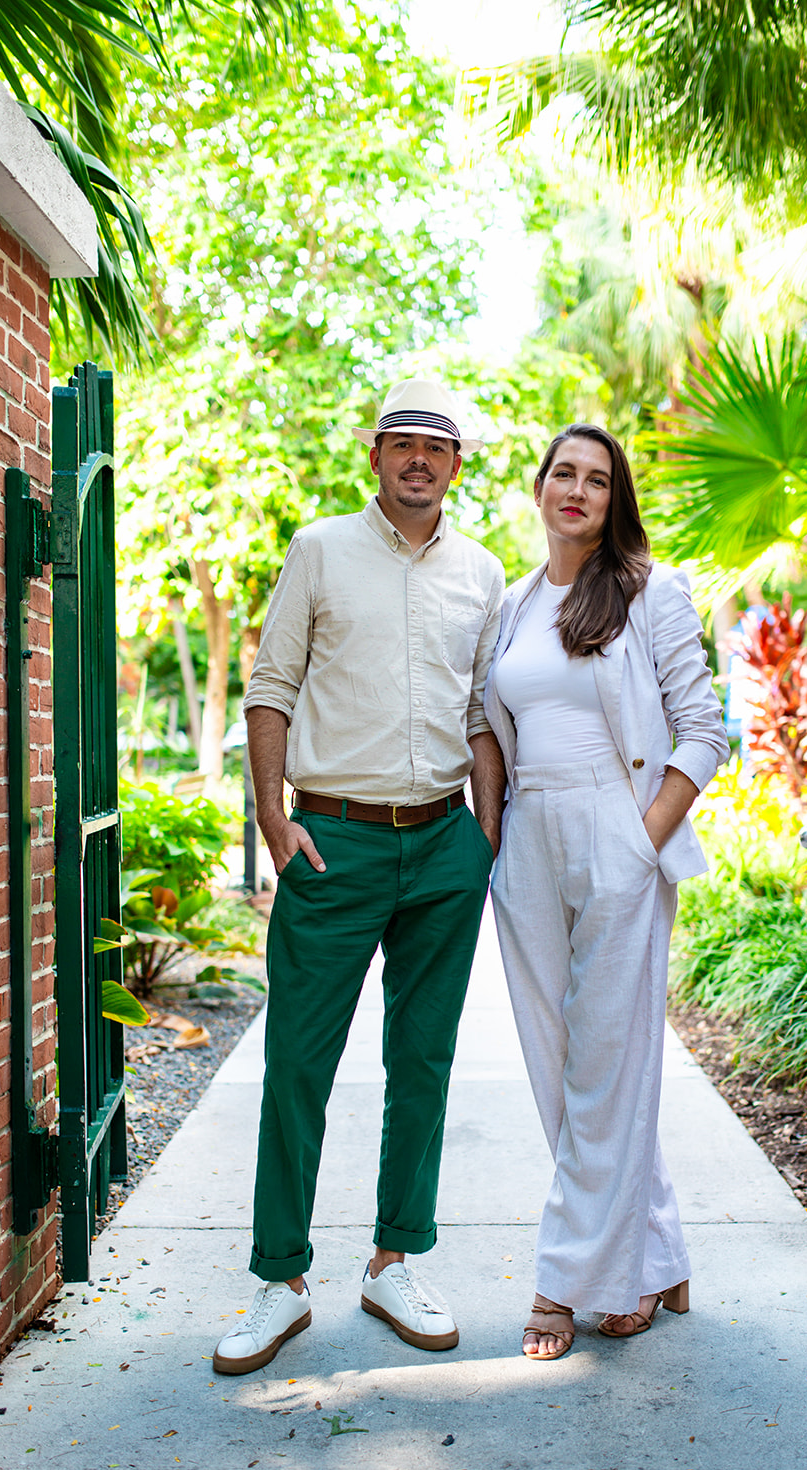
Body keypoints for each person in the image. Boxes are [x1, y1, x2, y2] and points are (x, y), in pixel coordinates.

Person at [213, 379, 506, 1376]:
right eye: (402, 442)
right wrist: (270, 816)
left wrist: (486, 839)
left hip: (440, 846)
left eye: (437, 446)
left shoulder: (481, 571)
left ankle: (394, 1260)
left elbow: (479, 714)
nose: (418, 459)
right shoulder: (318, 548)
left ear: (456, 465)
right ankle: (279, 1278)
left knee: (420, 1063)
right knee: (296, 1061)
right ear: (372, 454)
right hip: (330, 844)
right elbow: (270, 687)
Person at [483, 422, 729, 1359]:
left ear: (611, 497)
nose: (577, 490)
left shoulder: (648, 592)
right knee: (561, 1064)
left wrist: (639, 840)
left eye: (596, 478)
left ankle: (568, 1284)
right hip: (529, 844)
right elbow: (488, 726)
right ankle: (651, 1252)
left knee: (604, 1062)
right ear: (539, 488)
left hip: (616, 829)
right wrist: (495, 839)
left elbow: (701, 731)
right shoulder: (511, 605)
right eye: (563, 473)